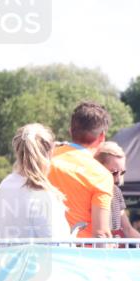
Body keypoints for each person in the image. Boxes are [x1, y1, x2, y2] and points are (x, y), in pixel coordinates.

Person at [47, 102, 114, 238]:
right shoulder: (102, 175)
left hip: (43, 250)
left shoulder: (43, 160)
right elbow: (100, 232)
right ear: (102, 136)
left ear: (71, 131)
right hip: (81, 254)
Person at [0, 123, 71, 239]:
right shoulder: (43, 193)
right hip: (38, 256)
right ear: (50, 153)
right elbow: (56, 242)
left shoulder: (5, 184)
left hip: (7, 256)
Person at [93, 141, 140, 238]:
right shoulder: (89, 190)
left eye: (122, 173)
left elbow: (128, 229)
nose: (118, 179)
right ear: (98, 167)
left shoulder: (116, 191)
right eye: (114, 173)